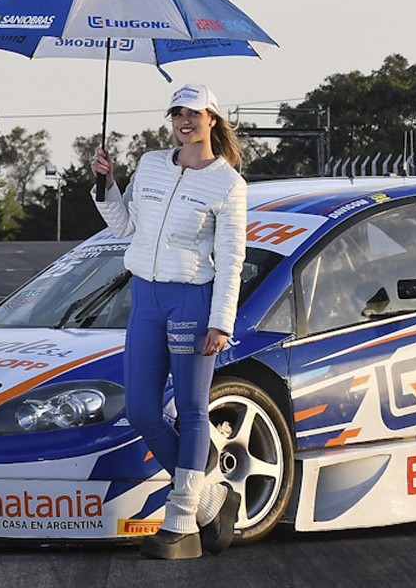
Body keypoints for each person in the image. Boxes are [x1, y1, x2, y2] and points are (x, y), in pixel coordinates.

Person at [90, 83, 247, 560]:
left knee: (193, 410)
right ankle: (210, 499)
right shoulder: (152, 164)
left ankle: (181, 523)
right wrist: (105, 184)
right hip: (145, 298)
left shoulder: (228, 184)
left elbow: (232, 260)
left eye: (193, 113)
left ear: (212, 119)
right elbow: (124, 227)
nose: (184, 121)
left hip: (191, 301)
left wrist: (221, 322)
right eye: (177, 113)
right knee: (141, 410)